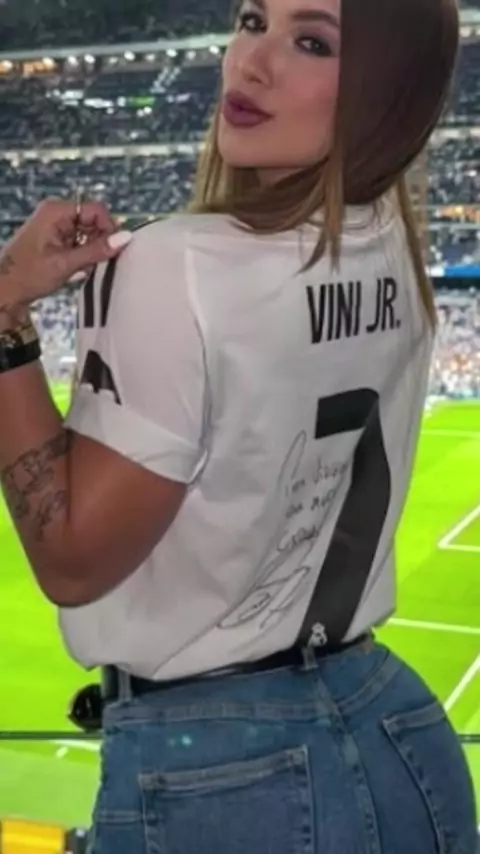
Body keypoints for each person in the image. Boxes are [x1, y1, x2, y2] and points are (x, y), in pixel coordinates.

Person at [0, 0, 477, 851]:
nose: (251, 62)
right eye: (254, 21)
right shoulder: (397, 250)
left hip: (224, 774)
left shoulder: (175, 262)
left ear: (386, 89)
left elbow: (72, 559)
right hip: (403, 735)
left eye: (312, 42)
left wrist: (5, 306)